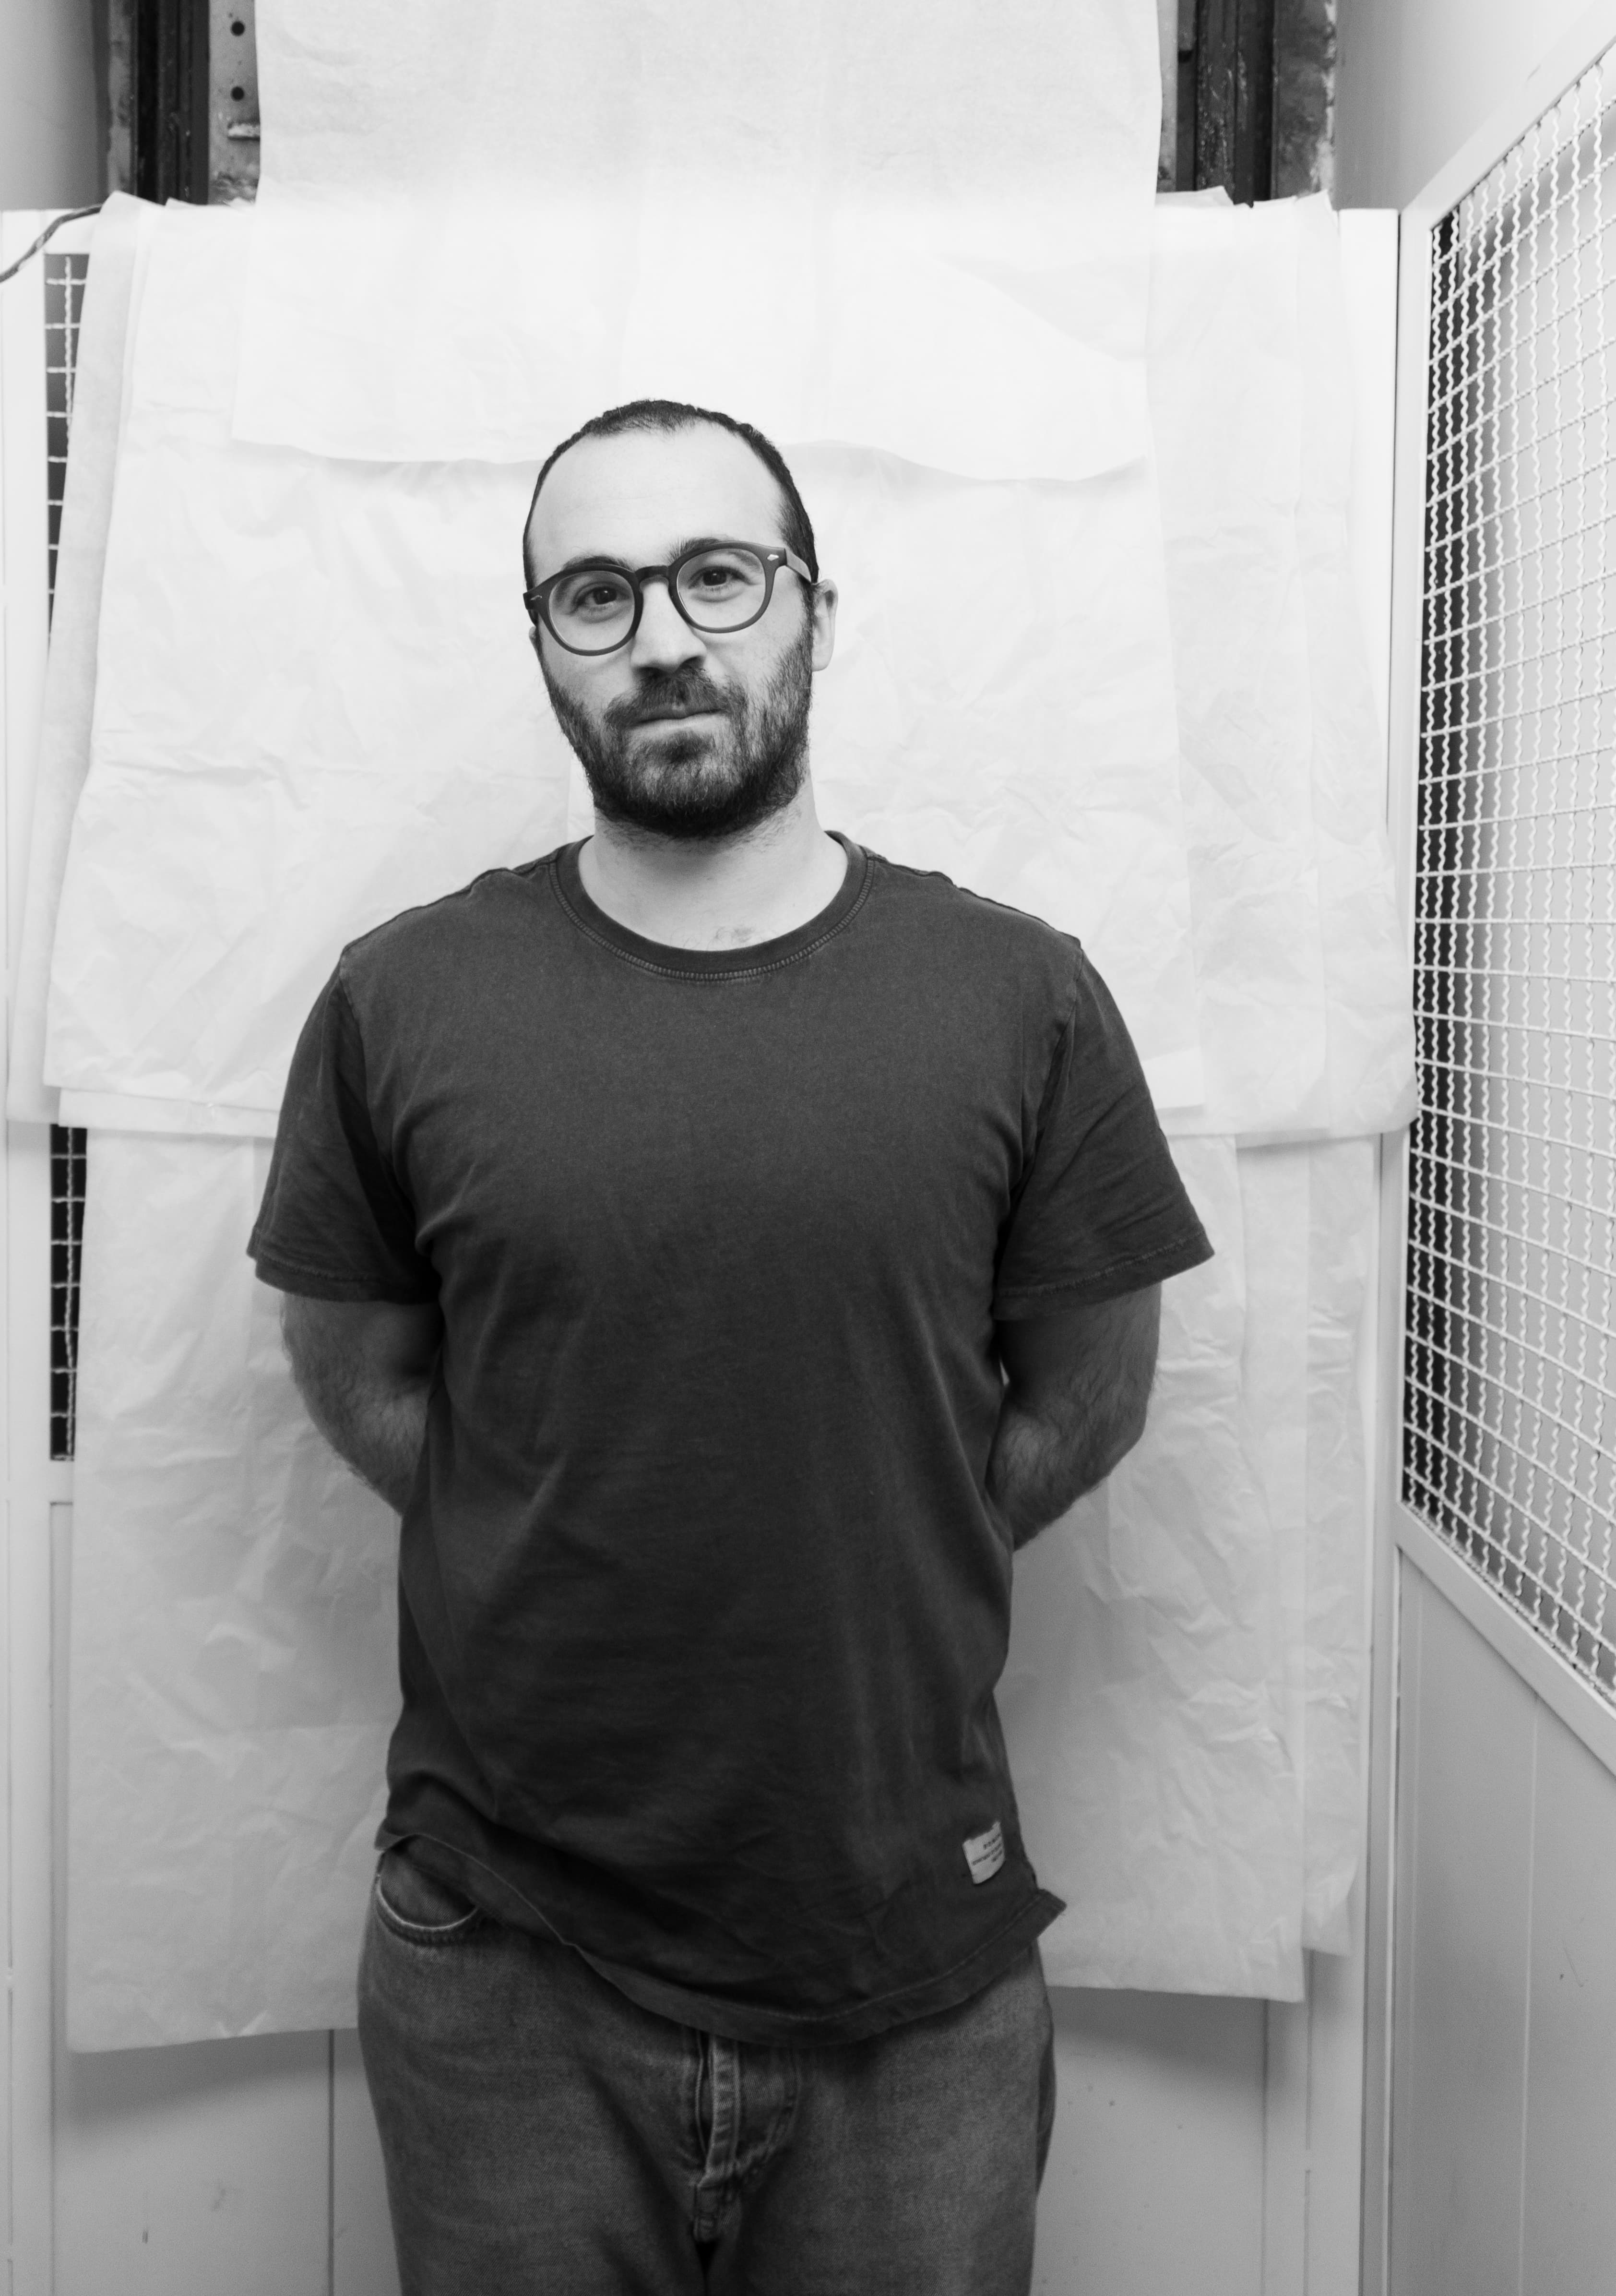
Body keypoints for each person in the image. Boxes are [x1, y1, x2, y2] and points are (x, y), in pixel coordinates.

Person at [249, 398, 1213, 2296]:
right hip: (501, 1962)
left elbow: (1088, 1389)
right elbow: (361, 1373)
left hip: (906, 1975)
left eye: (716, 573)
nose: (664, 635)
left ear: (812, 608)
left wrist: (887, 1524)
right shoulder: (399, 998)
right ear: (540, 646)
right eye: (593, 593)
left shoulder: (1015, 992)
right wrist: (559, 1513)